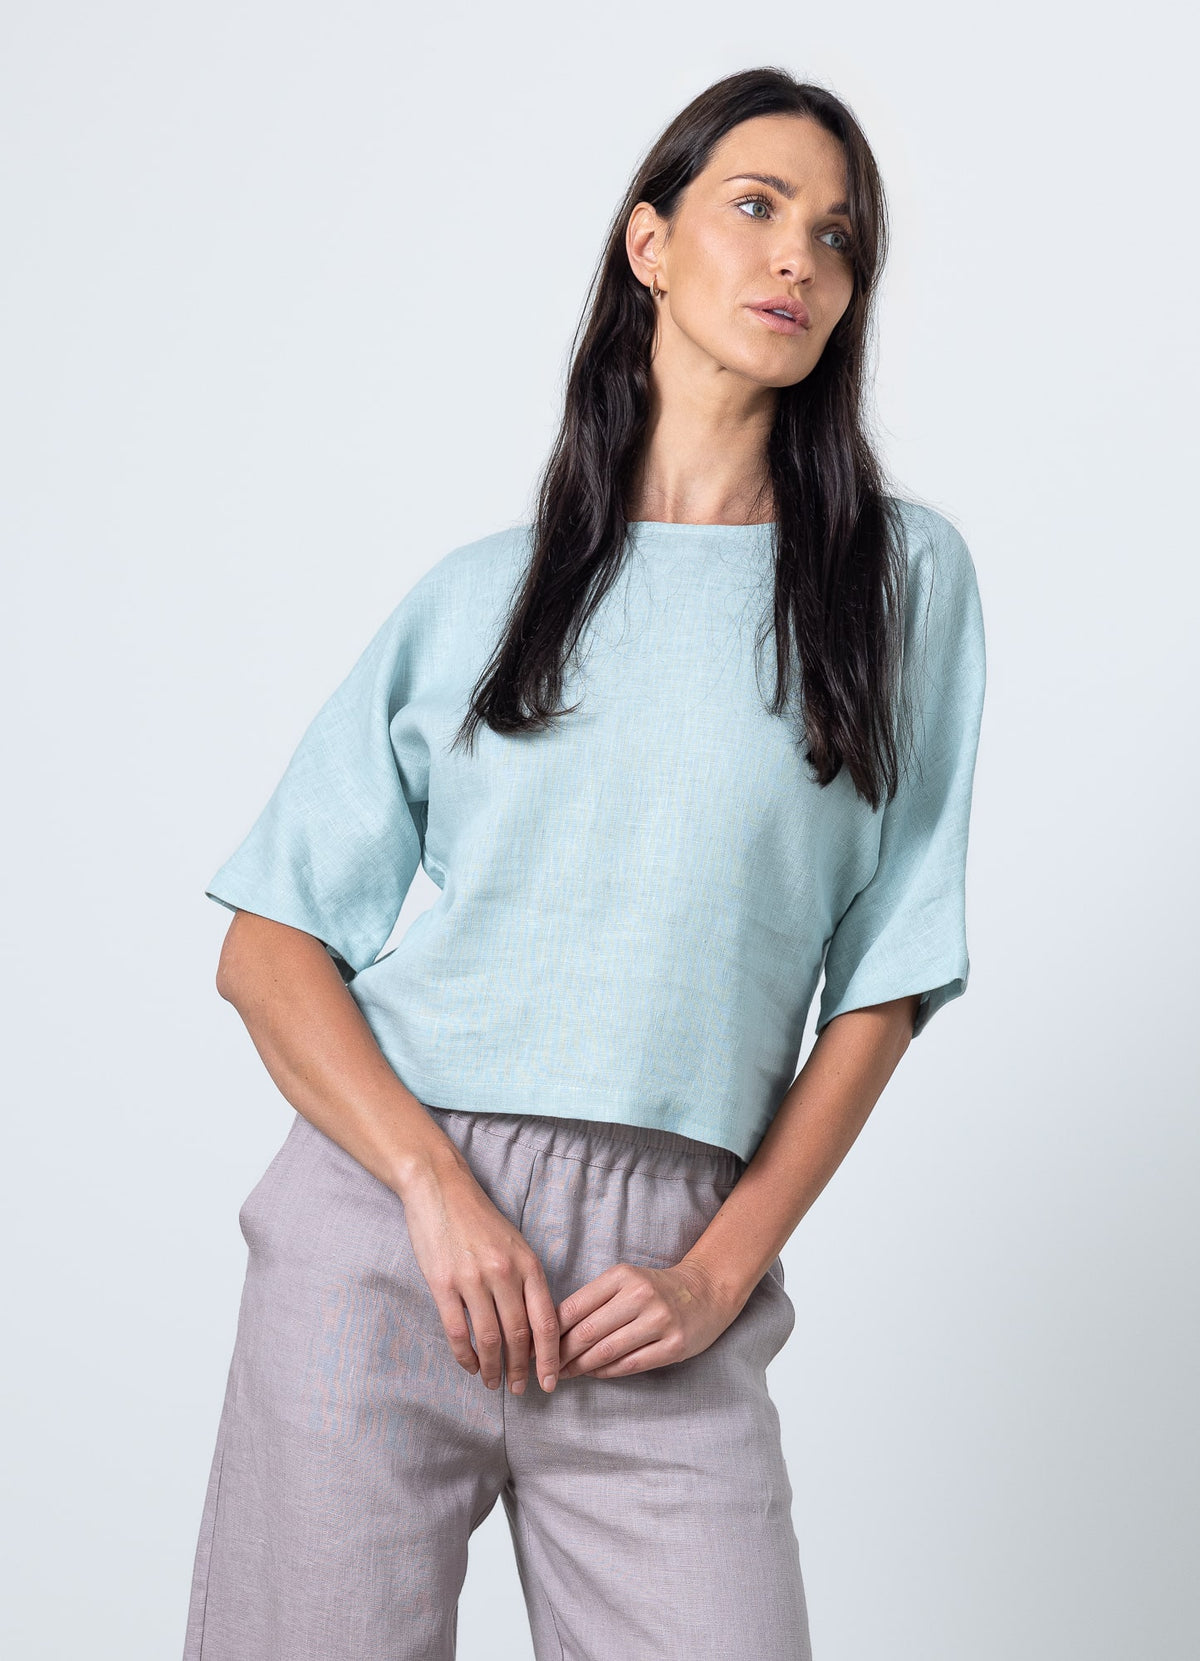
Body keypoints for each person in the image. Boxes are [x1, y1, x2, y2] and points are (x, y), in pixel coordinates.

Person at [181, 65, 987, 1661]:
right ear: (650, 245)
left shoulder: (894, 584)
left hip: (663, 1270)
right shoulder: (482, 595)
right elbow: (266, 947)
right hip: (386, 1237)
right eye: (756, 206)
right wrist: (429, 1186)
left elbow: (888, 975)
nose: (800, 257)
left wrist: (716, 1274)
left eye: (839, 237)